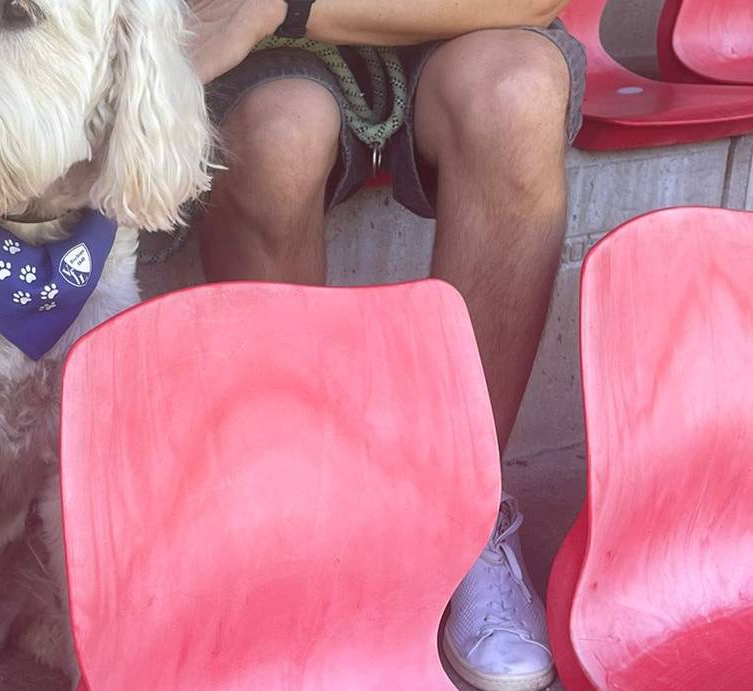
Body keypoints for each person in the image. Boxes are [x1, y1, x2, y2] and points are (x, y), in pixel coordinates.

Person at [185, 1, 584, 689]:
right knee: (275, 138)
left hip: (445, 21)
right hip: (260, 51)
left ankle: (468, 517)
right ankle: (296, 537)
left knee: (518, 95)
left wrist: (289, 6)